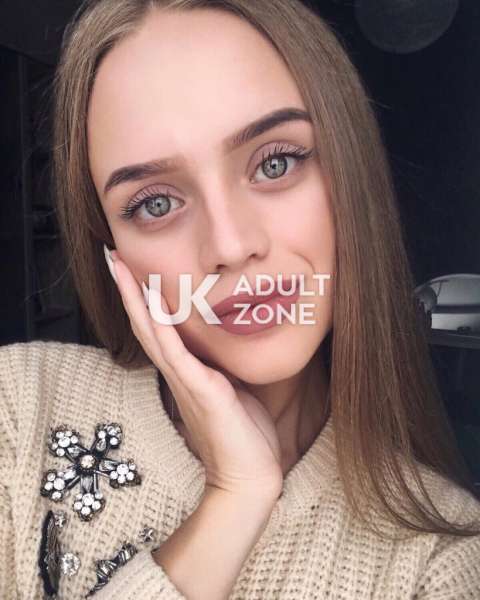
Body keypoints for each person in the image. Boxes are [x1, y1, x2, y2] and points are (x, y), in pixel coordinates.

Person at [1, 0, 479, 598]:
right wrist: (234, 497)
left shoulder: (444, 563)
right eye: (155, 203)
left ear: (349, 174)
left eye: (275, 163)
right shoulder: (17, 407)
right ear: (113, 249)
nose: (229, 245)